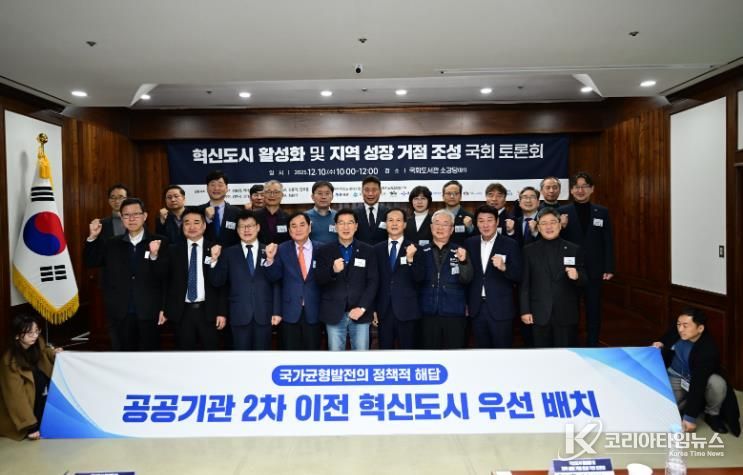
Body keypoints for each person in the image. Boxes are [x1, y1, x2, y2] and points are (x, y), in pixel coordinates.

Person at [85, 197, 166, 351]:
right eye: (127, 215)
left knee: (150, 356)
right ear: (121, 218)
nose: (131, 219)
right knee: (122, 356)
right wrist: (93, 237)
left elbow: (165, 276)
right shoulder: (112, 243)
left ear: (145, 216)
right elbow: (91, 261)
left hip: (150, 311)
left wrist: (154, 256)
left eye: (136, 214)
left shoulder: (160, 242)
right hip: (120, 311)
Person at [652, 308, 741, 435]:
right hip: (675, 375)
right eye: (678, 324)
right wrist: (660, 344)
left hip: (697, 379)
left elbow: (698, 383)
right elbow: (666, 339)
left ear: (700, 328)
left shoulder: (708, 349)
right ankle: (693, 404)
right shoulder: (678, 331)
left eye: (685, 325)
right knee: (662, 411)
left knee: (717, 383)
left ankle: (712, 414)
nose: (680, 329)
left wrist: (690, 418)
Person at [209, 210, 280, 350]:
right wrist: (214, 260)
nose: (246, 230)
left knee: (262, 356)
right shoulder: (228, 253)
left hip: (264, 313)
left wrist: (276, 311)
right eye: (242, 226)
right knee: (240, 357)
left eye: (250, 226)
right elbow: (218, 282)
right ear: (237, 230)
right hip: (238, 314)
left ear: (258, 227)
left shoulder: (269, 251)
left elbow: (276, 282)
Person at [559, 172, 615, 347]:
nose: (580, 190)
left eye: (584, 186)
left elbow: (608, 241)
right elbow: (556, 241)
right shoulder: (562, 212)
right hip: (570, 269)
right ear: (571, 190)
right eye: (577, 187)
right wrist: (561, 226)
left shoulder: (602, 212)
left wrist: (609, 267)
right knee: (571, 309)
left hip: (594, 269)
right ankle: (572, 344)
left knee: (593, 309)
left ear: (592, 189)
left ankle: (592, 344)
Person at [161, 207, 226, 351]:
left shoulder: (215, 249)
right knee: (184, 355)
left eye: (196, 222)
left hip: (208, 312)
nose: (191, 227)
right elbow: (166, 282)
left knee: (211, 353)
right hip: (181, 312)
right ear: (182, 226)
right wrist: (164, 309)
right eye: (187, 223)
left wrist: (221, 312)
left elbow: (222, 284)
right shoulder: (172, 250)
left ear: (204, 226)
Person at [520, 208, 586, 348]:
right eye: (544, 223)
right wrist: (525, 310)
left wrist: (577, 276)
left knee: (565, 355)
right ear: (538, 227)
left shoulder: (573, 249)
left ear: (560, 225)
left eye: (552, 222)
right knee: (542, 355)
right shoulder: (528, 250)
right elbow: (525, 284)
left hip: (566, 313)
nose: (548, 227)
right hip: (539, 313)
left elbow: (585, 279)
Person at [315, 208, 378, 351]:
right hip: (334, 313)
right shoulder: (324, 250)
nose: (346, 227)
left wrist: (362, 308)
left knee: (361, 355)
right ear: (335, 227)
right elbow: (319, 279)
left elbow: (373, 282)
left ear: (356, 226)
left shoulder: (368, 250)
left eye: (350, 223)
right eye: (341, 223)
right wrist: (333, 271)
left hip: (361, 313)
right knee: (336, 357)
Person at [465, 205, 522, 348]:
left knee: (503, 352)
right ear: (476, 223)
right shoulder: (470, 243)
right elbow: (467, 275)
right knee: (482, 352)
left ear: (497, 222)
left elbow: (519, 275)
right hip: (477, 308)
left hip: (501, 309)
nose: (485, 225)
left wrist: (504, 268)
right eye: (481, 221)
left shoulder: (510, 244)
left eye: (489, 220)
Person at [264, 212, 323, 350]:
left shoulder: (322, 248)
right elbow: (274, 278)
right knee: (289, 354)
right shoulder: (281, 249)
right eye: (294, 226)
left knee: (312, 354)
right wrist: (270, 259)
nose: (298, 229)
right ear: (289, 231)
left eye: (302, 225)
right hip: (289, 312)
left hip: (315, 311)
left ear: (309, 227)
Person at [0, 314, 62, 440]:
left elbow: (45, 351)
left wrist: (54, 353)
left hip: (41, 402)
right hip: (26, 412)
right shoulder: (9, 362)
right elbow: (16, 397)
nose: (34, 336)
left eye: (36, 331)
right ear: (17, 336)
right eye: (29, 333)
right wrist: (30, 426)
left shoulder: (37, 342)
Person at [419, 209, 473, 349]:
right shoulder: (421, 251)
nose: (440, 227)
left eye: (445, 224)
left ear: (452, 229)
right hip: (427, 312)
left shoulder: (460, 250)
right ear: (431, 227)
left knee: (455, 354)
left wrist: (463, 262)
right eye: (437, 223)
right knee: (429, 355)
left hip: (454, 311)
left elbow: (467, 279)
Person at [373, 208, 425, 349]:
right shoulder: (376, 250)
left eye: (398, 220)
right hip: (384, 311)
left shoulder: (416, 249)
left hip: (407, 311)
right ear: (385, 224)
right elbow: (373, 282)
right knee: (385, 353)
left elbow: (420, 278)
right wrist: (373, 309)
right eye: (390, 220)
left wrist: (410, 259)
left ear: (405, 224)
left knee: (408, 354)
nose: (394, 223)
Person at [198, 170, 241, 247]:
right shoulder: (198, 211)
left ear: (227, 188)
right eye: (212, 185)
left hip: (230, 253)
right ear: (207, 188)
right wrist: (207, 219)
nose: (216, 188)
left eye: (220, 185)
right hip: (205, 253)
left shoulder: (237, 212)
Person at [354, 176, 388, 245]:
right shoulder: (353, 213)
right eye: (367, 190)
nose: (370, 194)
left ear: (380, 191)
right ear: (362, 191)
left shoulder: (388, 213)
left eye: (374, 190)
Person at [255, 180, 290, 245]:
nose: (272, 195)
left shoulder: (288, 218)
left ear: (282, 195)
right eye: (268, 192)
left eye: (276, 192)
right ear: (264, 195)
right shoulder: (254, 217)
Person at [442, 180, 475, 244]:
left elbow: (476, 239)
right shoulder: (437, 216)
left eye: (456, 193)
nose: (452, 196)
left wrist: (470, 227)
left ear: (460, 196)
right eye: (448, 193)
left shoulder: (470, 217)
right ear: (443, 196)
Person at [306, 180, 338, 245]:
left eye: (327, 193)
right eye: (320, 193)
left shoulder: (338, 216)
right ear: (312, 197)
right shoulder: (304, 217)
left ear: (332, 197)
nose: (323, 197)